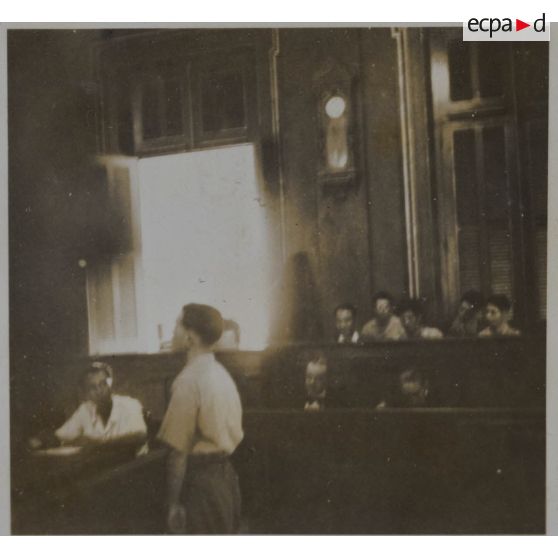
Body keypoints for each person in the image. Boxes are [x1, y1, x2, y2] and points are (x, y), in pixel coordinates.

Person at [157, 303, 243, 534]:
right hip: (226, 481)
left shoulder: (188, 381)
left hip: (201, 487)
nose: (171, 331)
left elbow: (177, 452)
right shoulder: (221, 374)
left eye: (177, 324)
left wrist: (173, 503)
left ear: (190, 337)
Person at [28, 361, 147, 452]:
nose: (99, 391)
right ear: (86, 393)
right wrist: (40, 440)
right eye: (92, 387)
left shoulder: (129, 404)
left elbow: (140, 437)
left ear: (109, 386)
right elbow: (61, 435)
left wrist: (97, 444)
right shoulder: (85, 409)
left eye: (103, 384)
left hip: (132, 468)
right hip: (105, 469)